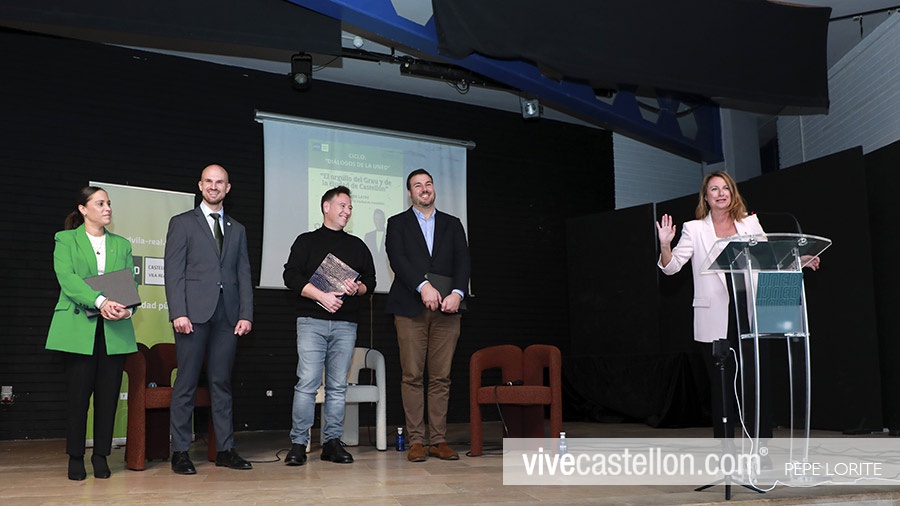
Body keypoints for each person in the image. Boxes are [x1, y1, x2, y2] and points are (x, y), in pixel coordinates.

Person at [655, 170, 820, 440]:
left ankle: (761, 447)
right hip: (715, 317)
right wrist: (665, 245)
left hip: (752, 312)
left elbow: (770, 259)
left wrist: (799, 260)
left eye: (725, 188)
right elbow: (672, 267)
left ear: (732, 194)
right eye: (714, 189)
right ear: (706, 197)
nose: (721, 193)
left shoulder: (749, 224)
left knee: (757, 383)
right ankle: (726, 451)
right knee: (722, 386)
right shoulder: (694, 229)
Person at [164, 164, 254, 474]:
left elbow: (243, 273)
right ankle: (180, 452)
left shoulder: (237, 229)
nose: (214, 186)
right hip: (192, 315)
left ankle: (226, 450)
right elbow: (173, 271)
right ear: (200, 186)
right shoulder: (182, 223)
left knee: (221, 383)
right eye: (209, 181)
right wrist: (178, 312)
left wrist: (246, 314)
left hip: (227, 316)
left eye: (220, 182)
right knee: (186, 383)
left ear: (228, 188)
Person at [46, 186, 137, 480]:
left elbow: (128, 285)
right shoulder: (65, 239)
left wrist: (127, 311)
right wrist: (100, 301)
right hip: (78, 328)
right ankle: (76, 456)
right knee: (78, 396)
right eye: (100, 203)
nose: (107, 208)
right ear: (83, 209)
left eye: (108, 203)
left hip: (114, 330)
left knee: (108, 397)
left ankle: (101, 455)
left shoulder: (121, 244)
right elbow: (68, 280)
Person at [282, 186, 376, 466]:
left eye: (350, 207)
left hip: (346, 324)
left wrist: (358, 288)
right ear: (326, 207)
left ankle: (332, 442)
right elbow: (290, 276)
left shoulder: (358, 245)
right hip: (311, 322)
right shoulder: (306, 241)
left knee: (337, 387)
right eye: (342, 205)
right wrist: (320, 296)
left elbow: (370, 283)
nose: (347, 211)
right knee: (307, 383)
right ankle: (299, 443)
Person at [386, 168, 471, 462]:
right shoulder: (397, 223)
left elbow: (463, 261)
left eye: (428, 184)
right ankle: (416, 441)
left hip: (448, 310)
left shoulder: (453, 224)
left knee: (441, 378)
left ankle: (438, 440)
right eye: (417, 185)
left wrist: (458, 293)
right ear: (409, 192)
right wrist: (423, 287)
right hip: (409, 309)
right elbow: (398, 260)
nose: (424, 188)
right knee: (412, 376)